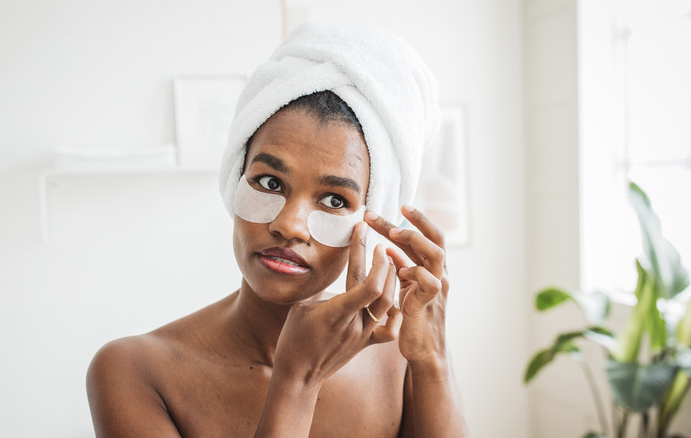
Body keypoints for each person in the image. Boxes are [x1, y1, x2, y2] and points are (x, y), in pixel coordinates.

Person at [87, 22, 471, 438]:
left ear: (371, 221)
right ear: (235, 179)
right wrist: (297, 381)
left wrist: (433, 359)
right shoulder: (132, 371)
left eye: (334, 200)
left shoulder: (400, 356)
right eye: (270, 183)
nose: (288, 225)